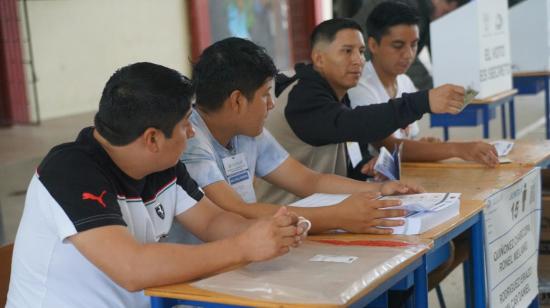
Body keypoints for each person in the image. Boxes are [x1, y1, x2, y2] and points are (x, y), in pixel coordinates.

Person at [7, 62, 306, 308]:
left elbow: (213, 220)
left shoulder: (162, 164)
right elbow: (133, 268)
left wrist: (272, 231)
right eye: (187, 123)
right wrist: (244, 247)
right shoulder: (69, 171)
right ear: (152, 139)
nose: (191, 133)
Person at [176, 37, 423, 237]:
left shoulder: (247, 131)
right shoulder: (189, 141)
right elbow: (237, 211)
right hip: (204, 273)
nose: (272, 104)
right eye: (265, 96)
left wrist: (380, 189)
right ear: (237, 101)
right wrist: (337, 216)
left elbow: (309, 181)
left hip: (249, 247)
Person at [257, 18, 465, 204]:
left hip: (319, 210)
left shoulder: (337, 91)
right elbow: (351, 123)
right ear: (319, 59)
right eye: (347, 51)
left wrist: (368, 166)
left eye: (361, 51)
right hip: (285, 217)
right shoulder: (304, 96)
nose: (358, 60)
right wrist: (422, 102)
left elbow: (346, 148)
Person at [347, 1, 498, 175]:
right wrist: (457, 149)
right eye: (398, 46)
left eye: (414, 45)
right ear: (373, 45)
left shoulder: (405, 81)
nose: (409, 54)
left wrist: (424, 145)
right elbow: (389, 145)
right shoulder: (360, 88)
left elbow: (405, 142)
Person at [351, 0, 467, 90]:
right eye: (445, 12)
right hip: (357, 64)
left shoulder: (426, 13)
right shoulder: (410, 8)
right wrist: (434, 89)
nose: (443, 18)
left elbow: (438, 54)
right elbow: (406, 59)